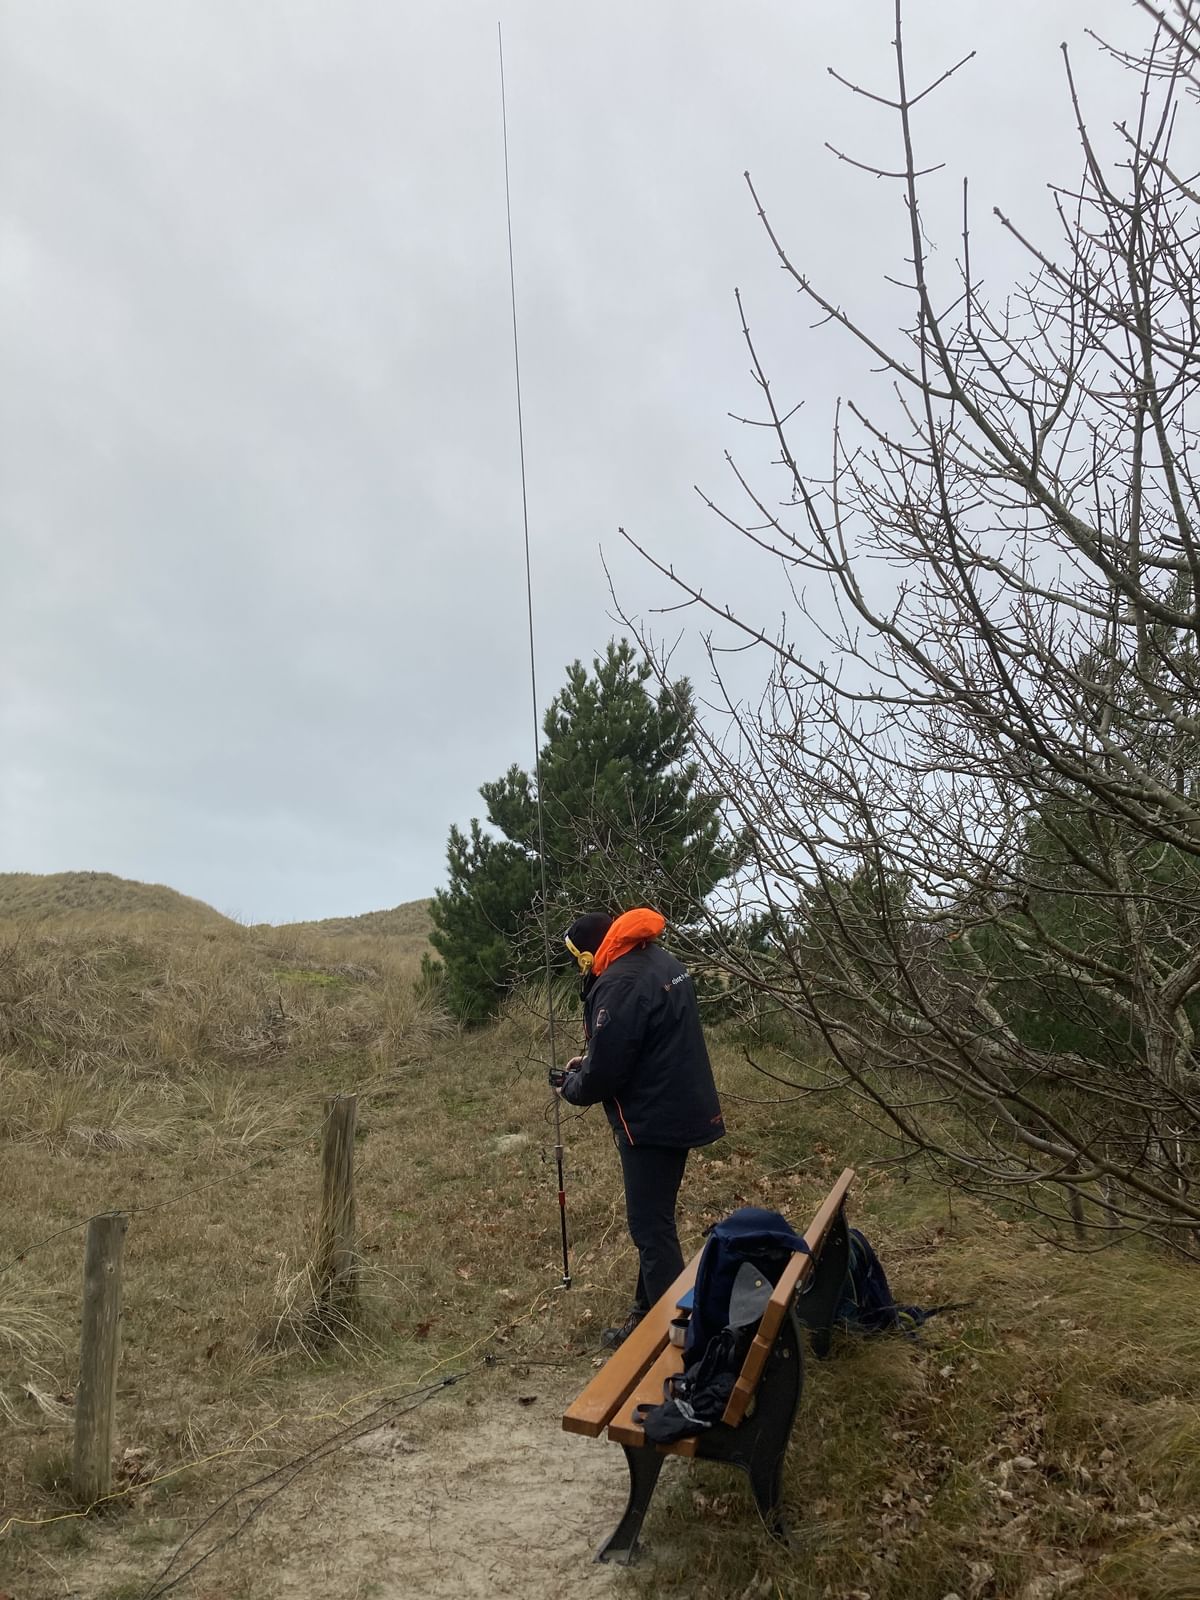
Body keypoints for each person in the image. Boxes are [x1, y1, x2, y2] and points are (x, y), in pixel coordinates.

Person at [554, 907, 725, 1348]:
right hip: (679, 1107)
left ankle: (678, 1338)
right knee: (656, 1222)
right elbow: (640, 1042)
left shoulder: (620, 983)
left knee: (651, 1230)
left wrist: (571, 1085)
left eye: (577, 959)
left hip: (653, 1122)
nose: (579, 968)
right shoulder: (657, 960)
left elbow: (604, 1076)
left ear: (590, 954)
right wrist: (592, 1058)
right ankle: (646, 1315)